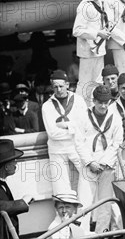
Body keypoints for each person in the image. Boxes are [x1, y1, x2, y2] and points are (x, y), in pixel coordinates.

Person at [74, 85, 123, 233]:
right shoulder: (83, 116)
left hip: (107, 165)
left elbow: (117, 143)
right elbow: (78, 142)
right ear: (94, 101)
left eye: (106, 102)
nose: (103, 105)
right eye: (99, 102)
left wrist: (106, 162)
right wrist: (90, 162)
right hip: (89, 165)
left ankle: (102, 233)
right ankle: (81, 234)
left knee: (105, 203)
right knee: (84, 202)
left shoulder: (115, 118)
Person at [42, 70, 90, 204]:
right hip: (57, 149)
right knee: (60, 186)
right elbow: (52, 133)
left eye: (61, 86)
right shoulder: (47, 106)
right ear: (52, 87)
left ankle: (84, 212)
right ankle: (64, 219)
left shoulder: (78, 100)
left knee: (88, 175)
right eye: (55, 86)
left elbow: (85, 125)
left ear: (67, 85)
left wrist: (67, 125)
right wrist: (75, 128)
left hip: (77, 147)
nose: (58, 89)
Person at [73, 0, 111, 103]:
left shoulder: (101, 2)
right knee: (84, 83)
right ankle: (80, 109)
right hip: (87, 52)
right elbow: (76, 30)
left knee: (97, 82)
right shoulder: (84, 6)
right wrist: (98, 33)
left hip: (99, 50)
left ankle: (92, 108)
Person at [0, 139, 33, 238]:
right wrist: (23, 202)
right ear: (6, 167)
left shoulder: (3, 182)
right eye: (14, 160)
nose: (16, 164)